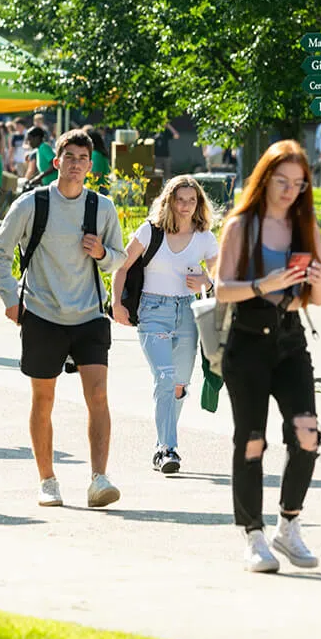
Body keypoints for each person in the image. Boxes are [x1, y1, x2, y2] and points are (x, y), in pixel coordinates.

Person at [0, 129, 127, 508]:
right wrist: (9, 299)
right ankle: (47, 480)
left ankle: (99, 479)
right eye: (70, 157)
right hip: (42, 312)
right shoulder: (32, 203)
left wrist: (102, 253)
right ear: (56, 161)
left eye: (84, 158)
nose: (77, 164)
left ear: (90, 165)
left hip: (89, 315)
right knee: (43, 398)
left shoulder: (101, 207)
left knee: (98, 395)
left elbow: (119, 257)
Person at [215, 139, 321, 573]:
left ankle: (288, 525)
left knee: (307, 435)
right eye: (282, 181)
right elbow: (222, 289)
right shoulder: (241, 226)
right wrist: (267, 282)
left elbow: (316, 299)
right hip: (246, 342)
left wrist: (316, 279)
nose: (289, 191)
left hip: (289, 341)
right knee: (252, 441)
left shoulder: (306, 228)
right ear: (264, 179)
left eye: (298, 184)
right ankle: (253, 535)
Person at [112, 176, 217, 473]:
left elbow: (221, 277)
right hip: (153, 310)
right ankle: (167, 448)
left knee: (179, 384)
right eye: (180, 200)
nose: (185, 206)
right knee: (165, 377)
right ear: (169, 201)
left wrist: (207, 281)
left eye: (191, 200)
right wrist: (116, 303)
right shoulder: (150, 230)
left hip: (187, 313)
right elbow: (122, 266)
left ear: (199, 204)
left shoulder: (205, 237)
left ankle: (164, 440)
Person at [86, 127, 111, 193]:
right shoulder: (99, 153)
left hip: (97, 189)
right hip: (101, 188)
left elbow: (97, 174)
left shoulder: (96, 154)